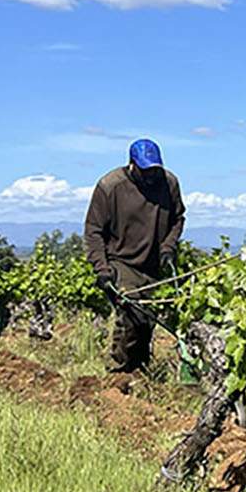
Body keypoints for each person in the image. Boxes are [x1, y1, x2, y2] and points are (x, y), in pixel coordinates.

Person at [84, 139, 186, 373]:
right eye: (145, 170)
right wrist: (101, 268)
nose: (150, 176)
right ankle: (117, 372)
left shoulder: (169, 183)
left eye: (154, 170)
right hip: (121, 262)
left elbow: (178, 219)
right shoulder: (110, 186)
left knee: (147, 321)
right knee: (130, 315)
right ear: (132, 165)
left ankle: (139, 370)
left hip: (153, 263)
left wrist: (169, 246)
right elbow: (94, 230)